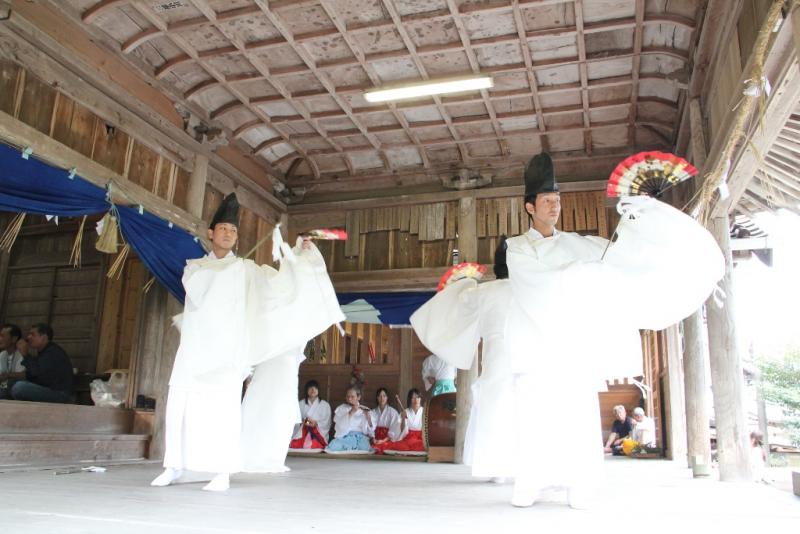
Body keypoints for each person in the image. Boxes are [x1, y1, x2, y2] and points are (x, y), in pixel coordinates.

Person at [412, 152, 724, 509]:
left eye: (557, 200)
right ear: (530, 207)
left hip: (572, 349)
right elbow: (536, 286)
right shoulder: (517, 249)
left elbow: (619, 258)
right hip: (532, 350)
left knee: (576, 421)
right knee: (535, 421)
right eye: (547, 201)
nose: (554, 206)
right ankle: (530, 484)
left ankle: (580, 485)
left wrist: (642, 217)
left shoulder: (577, 243)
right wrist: (584, 274)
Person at [152, 193, 344, 491]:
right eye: (223, 229)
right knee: (182, 404)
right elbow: (202, 292)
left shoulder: (246, 269)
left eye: (233, 230)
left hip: (228, 352)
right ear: (211, 233)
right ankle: (174, 466)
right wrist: (231, 272)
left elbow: (279, 287)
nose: (228, 234)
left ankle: (222, 471)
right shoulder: (195, 268)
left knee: (222, 411)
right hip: (195, 350)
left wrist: (298, 256)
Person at [411, 238, 514, 480]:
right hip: (523, 357)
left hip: (495, 358)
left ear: (497, 268)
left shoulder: (484, 292)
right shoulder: (527, 290)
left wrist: (466, 280)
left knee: (495, 410)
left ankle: (496, 468)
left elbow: (458, 300)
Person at [11, 323, 73, 403]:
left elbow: (37, 374)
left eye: (32, 334)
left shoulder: (52, 352)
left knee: (19, 387)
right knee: (11, 384)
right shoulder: (43, 352)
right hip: (50, 390)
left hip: (60, 394)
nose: (28, 337)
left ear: (44, 338)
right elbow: (34, 375)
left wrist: (25, 354)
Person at [326, 386, 373, 453]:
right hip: (344, 436)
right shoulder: (341, 408)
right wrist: (351, 412)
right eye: (348, 396)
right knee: (333, 446)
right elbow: (339, 425)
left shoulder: (365, 409)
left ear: (358, 397)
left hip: (359, 437)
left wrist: (368, 418)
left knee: (365, 448)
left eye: (352, 396)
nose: (349, 399)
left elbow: (370, 429)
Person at [289, 379, 332, 450]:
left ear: (318, 390)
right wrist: (307, 422)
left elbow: (327, 422)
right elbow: (297, 420)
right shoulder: (301, 404)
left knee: (314, 444)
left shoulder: (325, 405)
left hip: (318, 432)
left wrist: (315, 423)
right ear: (306, 390)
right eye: (310, 388)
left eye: (315, 388)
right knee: (300, 444)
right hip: (303, 430)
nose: (313, 390)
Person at [383, 389, 425, 454]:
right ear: (409, 399)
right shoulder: (406, 412)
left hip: (421, 438)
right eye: (413, 398)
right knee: (402, 447)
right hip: (408, 437)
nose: (416, 400)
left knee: (423, 446)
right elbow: (402, 430)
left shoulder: (425, 411)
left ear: (420, 399)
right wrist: (403, 418)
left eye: (418, 397)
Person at [369, 387, 401, 454]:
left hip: (387, 439)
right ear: (377, 398)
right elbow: (370, 428)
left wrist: (383, 441)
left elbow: (394, 430)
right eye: (380, 396)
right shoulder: (372, 412)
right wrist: (373, 439)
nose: (382, 398)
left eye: (384, 396)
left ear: (387, 398)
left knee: (386, 449)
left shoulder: (393, 412)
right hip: (375, 438)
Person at [0, 324, 25, 400]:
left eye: (2, 336)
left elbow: (21, 377)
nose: (0, 339)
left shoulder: (21, 354)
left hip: (12, 390)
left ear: (14, 339)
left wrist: (7, 376)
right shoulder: (2, 354)